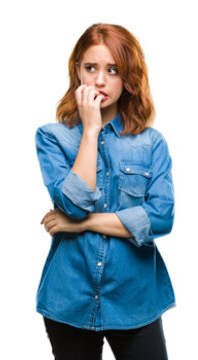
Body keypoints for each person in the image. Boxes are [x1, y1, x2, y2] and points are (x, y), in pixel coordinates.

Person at [36, 23, 173, 360]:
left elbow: (161, 218)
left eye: (112, 70)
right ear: (76, 72)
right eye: (90, 68)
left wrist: (82, 225)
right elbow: (72, 204)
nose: (99, 80)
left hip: (135, 299)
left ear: (128, 77)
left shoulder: (151, 143)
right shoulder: (53, 137)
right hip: (70, 297)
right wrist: (91, 130)